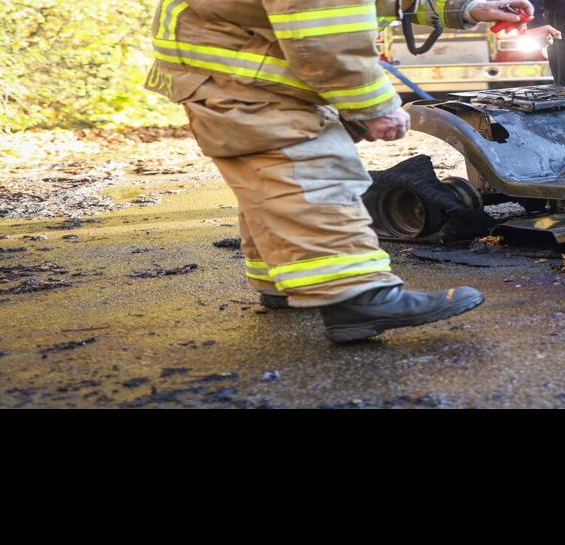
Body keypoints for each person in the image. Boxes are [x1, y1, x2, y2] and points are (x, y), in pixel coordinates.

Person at [146, 0, 531, 344]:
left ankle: (286, 281)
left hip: (236, 56)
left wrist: (466, 7)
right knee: (312, 169)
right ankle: (359, 297)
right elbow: (323, 32)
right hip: (242, 67)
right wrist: (374, 106)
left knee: (271, 174)